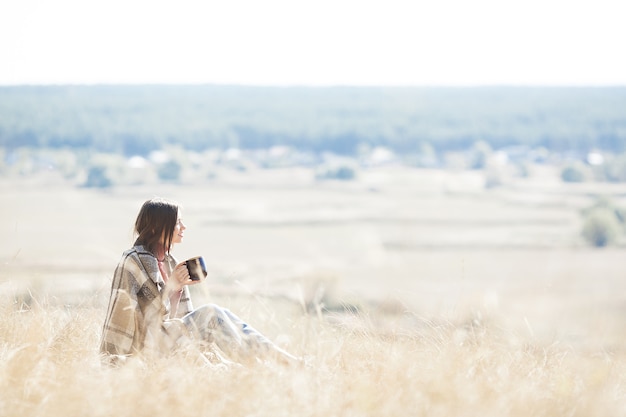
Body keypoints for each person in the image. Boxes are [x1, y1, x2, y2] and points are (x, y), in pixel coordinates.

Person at [100, 197, 298, 366]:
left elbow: (173, 317)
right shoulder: (132, 261)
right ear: (156, 227)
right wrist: (171, 288)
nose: (183, 227)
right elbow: (133, 318)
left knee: (225, 316)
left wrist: (176, 290)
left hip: (169, 339)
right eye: (177, 223)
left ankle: (285, 360)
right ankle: (260, 366)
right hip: (145, 346)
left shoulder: (171, 263)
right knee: (211, 312)